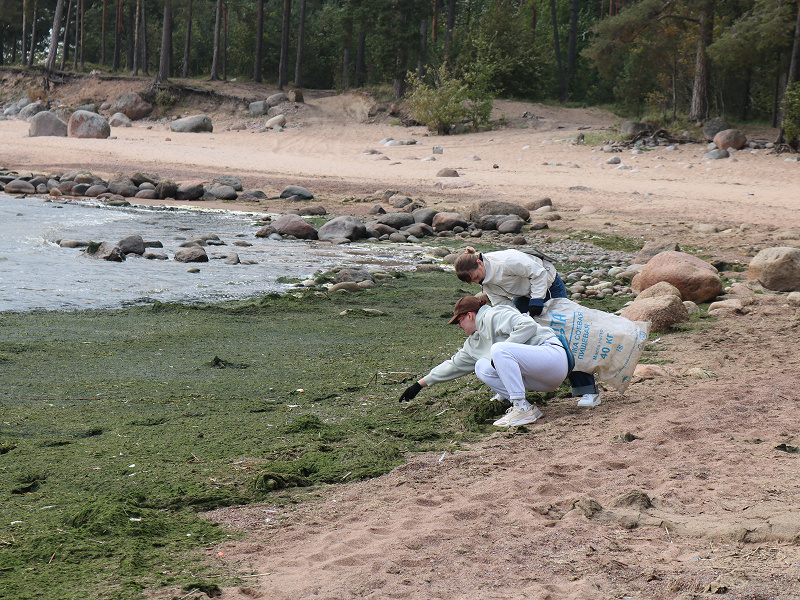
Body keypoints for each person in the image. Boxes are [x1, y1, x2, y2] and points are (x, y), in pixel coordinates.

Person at [453, 247, 601, 407]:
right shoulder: (485, 283)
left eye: (476, 277)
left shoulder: (506, 261)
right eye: (473, 281)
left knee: (567, 335)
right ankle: (507, 387)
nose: (477, 282)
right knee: (513, 334)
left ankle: (588, 391)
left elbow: (538, 273)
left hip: (548, 286)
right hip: (525, 295)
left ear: (479, 263)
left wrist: (537, 299)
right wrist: (512, 321)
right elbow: (503, 305)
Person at [398, 296, 571, 428]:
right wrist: (420, 384)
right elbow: (453, 365)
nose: (459, 326)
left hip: (552, 358)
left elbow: (528, 326)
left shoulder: (495, 314)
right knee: (481, 365)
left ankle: (521, 410)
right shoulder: (473, 343)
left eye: (459, 321)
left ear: (470, 315)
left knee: (498, 350)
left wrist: (501, 352)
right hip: (539, 379)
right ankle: (525, 407)